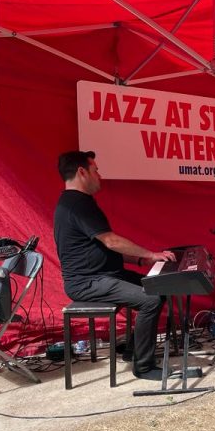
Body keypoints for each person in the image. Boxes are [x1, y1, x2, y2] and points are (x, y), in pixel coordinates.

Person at [53, 150, 176, 381]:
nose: (99, 175)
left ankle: (134, 350)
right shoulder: (76, 205)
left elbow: (106, 247)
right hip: (88, 283)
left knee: (158, 287)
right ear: (82, 172)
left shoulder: (77, 202)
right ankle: (144, 367)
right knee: (151, 299)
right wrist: (150, 254)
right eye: (95, 170)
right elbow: (111, 240)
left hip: (105, 275)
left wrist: (142, 259)